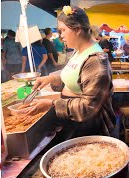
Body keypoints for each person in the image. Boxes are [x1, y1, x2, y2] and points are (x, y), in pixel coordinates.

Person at [27, 6, 115, 137]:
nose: (61, 36)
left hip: (87, 125)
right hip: (72, 119)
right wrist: (51, 79)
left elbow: (88, 107)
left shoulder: (95, 61)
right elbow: (75, 80)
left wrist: (52, 104)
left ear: (78, 30)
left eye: (63, 30)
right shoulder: (77, 51)